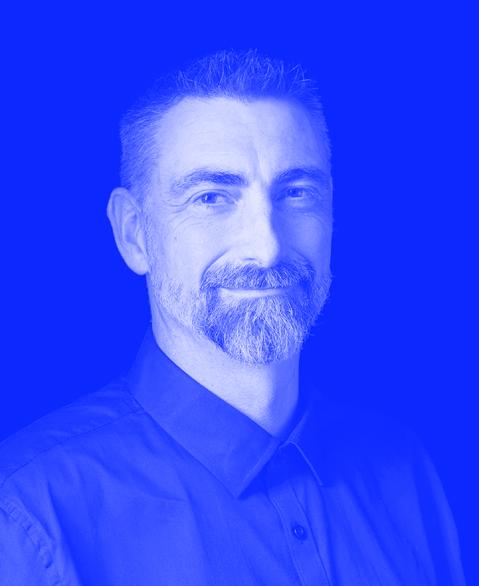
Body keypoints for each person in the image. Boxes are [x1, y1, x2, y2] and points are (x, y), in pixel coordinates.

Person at [0, 50, 465, 585]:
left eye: (296, 193)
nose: (266, 248)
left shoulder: (404, 472)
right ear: (133, 234)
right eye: (212, 197)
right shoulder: (30, 519)